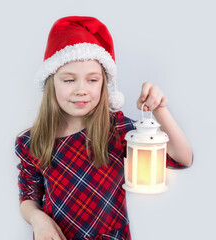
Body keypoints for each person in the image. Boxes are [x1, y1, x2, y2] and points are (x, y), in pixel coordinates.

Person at [15, 16, 193, 240]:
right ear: (51, 83)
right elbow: (28, 196)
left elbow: (183, 159)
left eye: (92, 80)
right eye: (69, 80)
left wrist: (159, 109)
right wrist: (37, 219)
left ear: (104, 84)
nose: (82, 90)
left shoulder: (117, 129)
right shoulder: (31, 141)